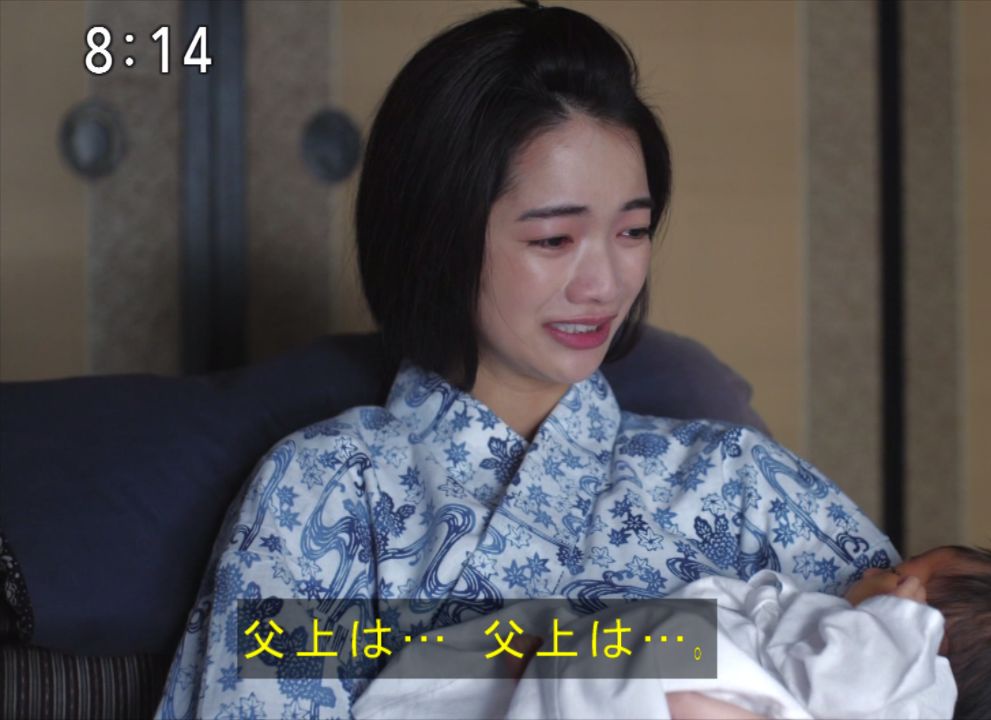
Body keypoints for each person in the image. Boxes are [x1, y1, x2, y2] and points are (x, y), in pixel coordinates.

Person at [156, 4, 897, 718]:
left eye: (633, 232)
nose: (604, 284)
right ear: (436, 235)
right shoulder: (322, 492)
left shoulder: (741, 483)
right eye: (553, 240)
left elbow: (932, 666)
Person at [351, 545, 991, 720]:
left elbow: (846, 675)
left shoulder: (898, 657)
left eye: (900, 571)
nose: (876, 566)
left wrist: (898, 624)